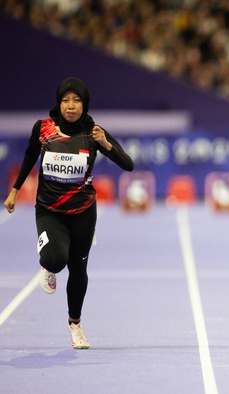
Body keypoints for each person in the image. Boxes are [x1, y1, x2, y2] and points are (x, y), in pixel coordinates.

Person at [3, 77, 134, 348]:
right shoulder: (44, 129)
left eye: (76, 101)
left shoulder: (94, 132)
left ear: (84, 105)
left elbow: (128, 165)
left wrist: (107, 145)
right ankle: (47, 265)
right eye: (65, 100)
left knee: (78, 268)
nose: (70, 106)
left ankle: (75, 325)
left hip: (84, 211)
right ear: (58, 102)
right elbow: (29, 156)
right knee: (55, 259)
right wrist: (15, 189)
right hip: (50, 210)